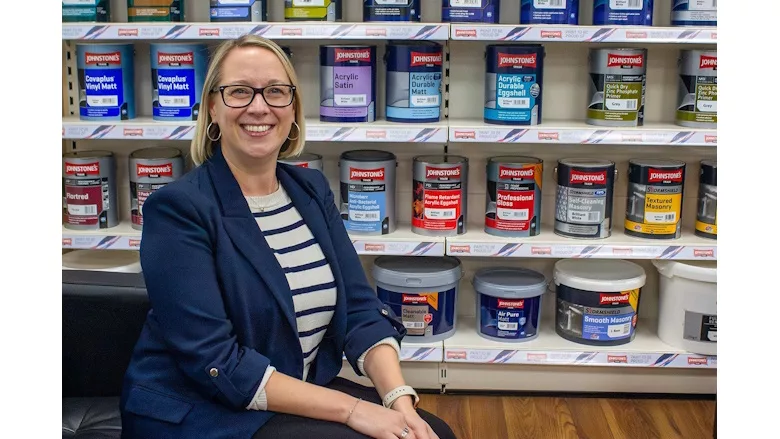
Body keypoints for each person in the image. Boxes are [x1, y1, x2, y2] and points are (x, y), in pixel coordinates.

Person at [119, 35, 457, 439]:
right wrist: (353, 411)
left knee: (432, 432)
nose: (259, 107)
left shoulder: (310, 190)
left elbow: (361, 312)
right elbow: (217, 362)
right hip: (201, 410)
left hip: (288, 391)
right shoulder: (178, 209)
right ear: (212, 107)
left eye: (276, 92)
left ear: (293, 108)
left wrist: (399, 401)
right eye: (240, 91)